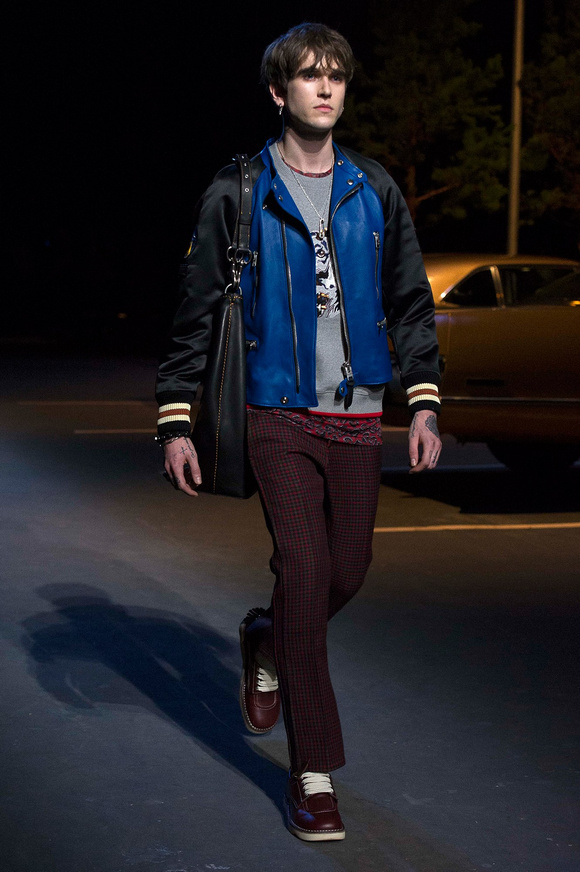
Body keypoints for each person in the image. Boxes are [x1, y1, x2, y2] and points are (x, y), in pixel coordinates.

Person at [155, 22, 442, 842]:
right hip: (274, 411)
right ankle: (312, 774)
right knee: (308, 571)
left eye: (336, 76)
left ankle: (266, 639)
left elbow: (410, 302)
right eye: (310, 76)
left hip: (357, 413)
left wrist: (424, 401)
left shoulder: (373, 188)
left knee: (348, 569)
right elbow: (196, 309)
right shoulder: (238, 190)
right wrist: (175, 419)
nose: (325, 88)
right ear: (279, 92)